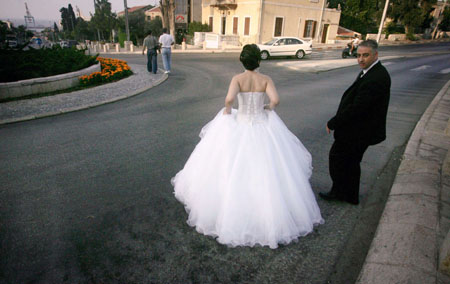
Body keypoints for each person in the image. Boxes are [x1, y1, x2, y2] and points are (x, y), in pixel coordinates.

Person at [171, 44, 323, 249]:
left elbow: (229, 99)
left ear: (242, 61)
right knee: (268, 170)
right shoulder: (266, 79)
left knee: (231, 167)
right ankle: (269, 214)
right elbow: (276, 100)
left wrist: (227, 110)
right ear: (259, 61)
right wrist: (268, 107)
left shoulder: (237, 79)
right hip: (261, 124)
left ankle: (231, 212)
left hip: (241, 122)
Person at [320, 39, 391, 205]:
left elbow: (357, 107)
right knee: (349, 163)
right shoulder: (370, 71)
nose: (361, 59)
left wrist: (333, 122)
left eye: (365, 55)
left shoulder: (376, 77)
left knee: (339, 159)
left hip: (358, 131)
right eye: (358, 55)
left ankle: (342, 193)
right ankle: (348, 194)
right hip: (357, 129)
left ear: (375, 55)